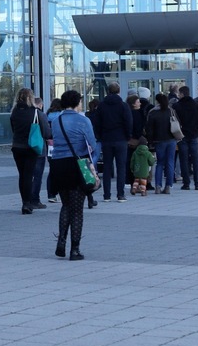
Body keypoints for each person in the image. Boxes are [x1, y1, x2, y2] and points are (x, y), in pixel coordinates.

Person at [48, 90, 95, 260]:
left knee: (66, 204)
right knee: (77, 210)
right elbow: (93, 144)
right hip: (77, 165)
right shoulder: (83, 120)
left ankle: (61, 241)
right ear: (77, 103)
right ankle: (75, 249)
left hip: (59, 164)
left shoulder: (56, 120)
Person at [9, 88, 49, 214]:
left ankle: (24, 202)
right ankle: (28, 203)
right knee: (29, 175)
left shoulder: (14, 112)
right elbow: (47, 133)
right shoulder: (36, 112)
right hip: (31, 147)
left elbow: (13, 130)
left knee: (22, 175)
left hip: (17, 147)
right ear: (30, 98)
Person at [94, 81, 132, 202]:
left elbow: (97, 123)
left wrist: (100, 136)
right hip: (121, 139)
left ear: (108, 91)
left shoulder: (101, 105)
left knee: (107, 167)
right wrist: (127, 136)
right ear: (119, 91)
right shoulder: (123, 105)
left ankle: (107, 195)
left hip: (107, 139)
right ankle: (120, 194)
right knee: (121, 167)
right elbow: (128, 122)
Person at [172, 85, 198, 190]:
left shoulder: (176, 106)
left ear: (181, 94)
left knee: (184, 159)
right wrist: (197, 130)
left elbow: (173, 121)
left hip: (181, 135)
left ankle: (186, 183)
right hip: (194, 135)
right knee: (196, 159)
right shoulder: (197, 105)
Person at [146, 93, 177, 194]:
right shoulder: (171, 111)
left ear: (157, 101)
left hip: (159, 141)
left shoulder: (153, 112)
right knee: (170, 162)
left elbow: (149, 129)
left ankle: (158, 186)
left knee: (159, 163)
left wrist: (150, 142)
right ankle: (168, 186)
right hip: (171, 139)